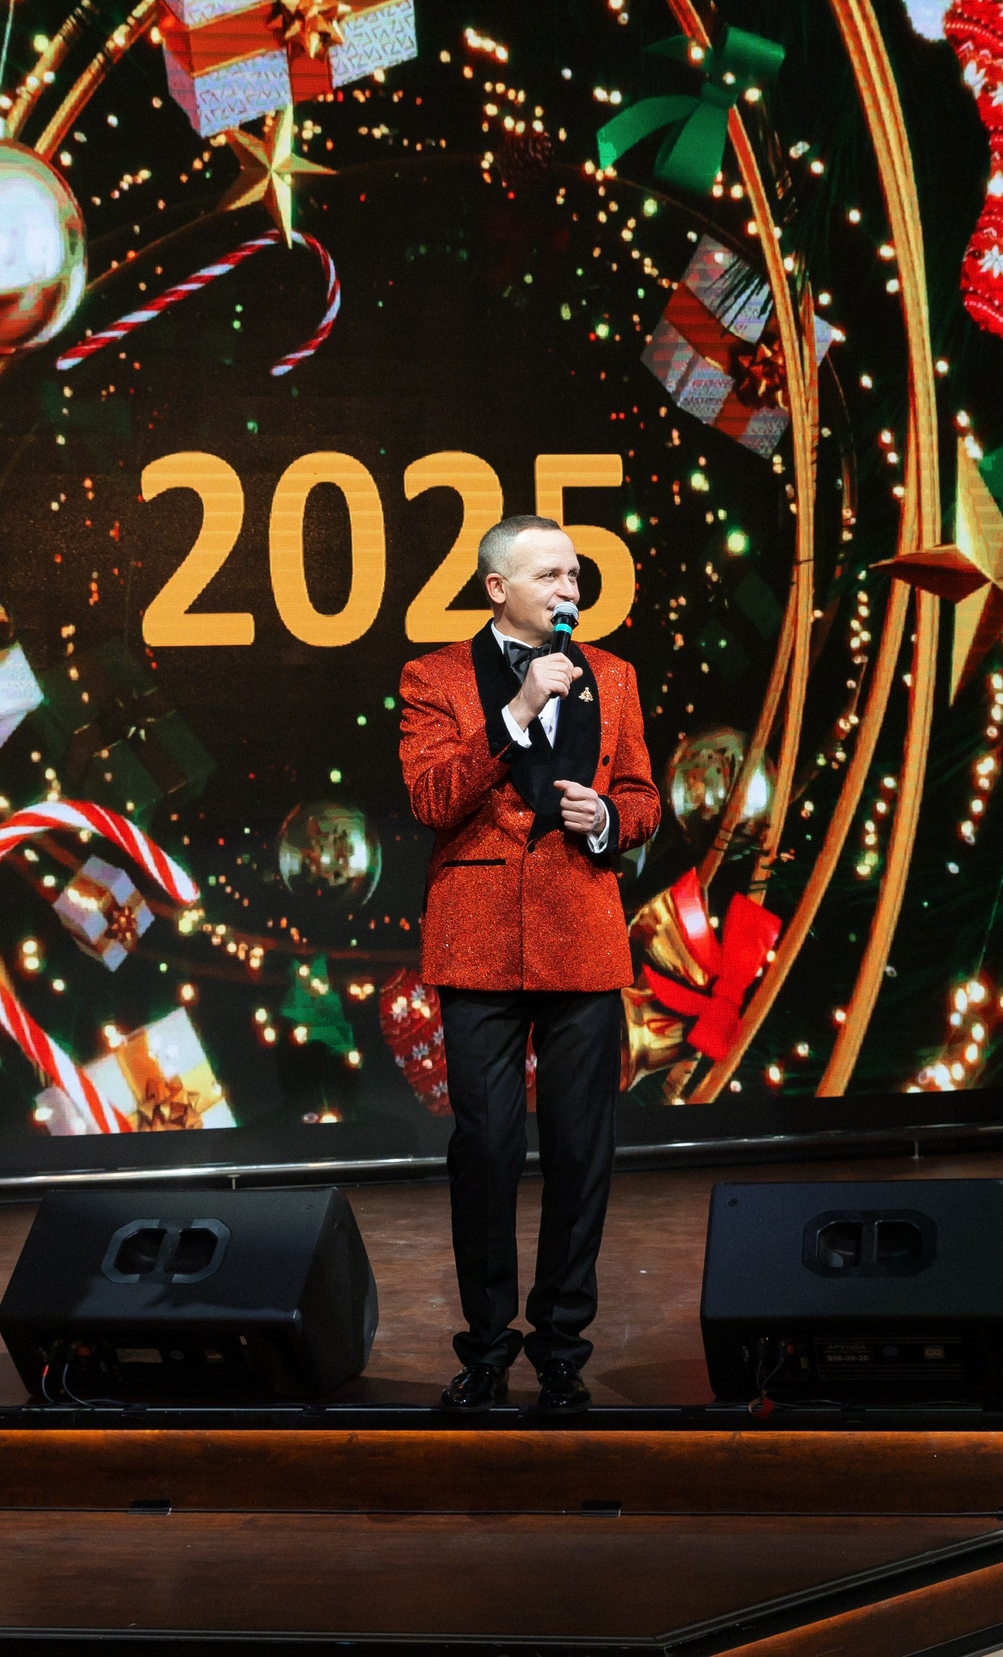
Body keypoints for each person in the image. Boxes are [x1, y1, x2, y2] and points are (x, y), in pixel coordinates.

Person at [397, 514, 659, 1412]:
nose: (568, 590)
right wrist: (514, 712)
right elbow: (433, 797)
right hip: (479, 942)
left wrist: (612, 822)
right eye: (548, 574)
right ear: (497, 587)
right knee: (488, 1147)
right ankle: (485, 1342)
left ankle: (562, 1341)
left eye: (575, 575)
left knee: (583, 1149)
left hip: (582, 933)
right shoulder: (434, 676)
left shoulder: (612, 677)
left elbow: (642, 795)